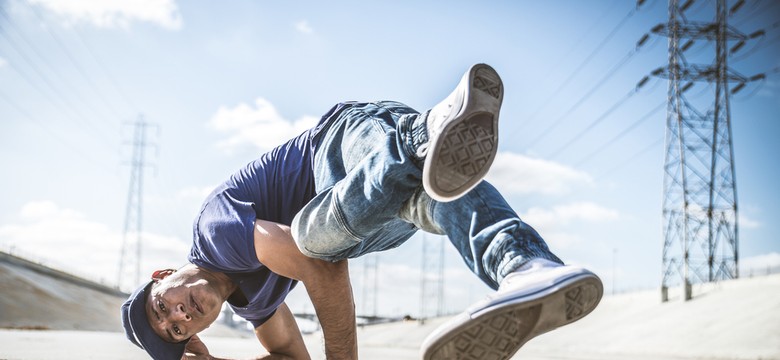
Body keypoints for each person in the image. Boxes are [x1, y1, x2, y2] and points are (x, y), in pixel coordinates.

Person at [121, 63, 603, 360]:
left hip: (341, 143)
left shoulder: (214, 233)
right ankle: (526, 267)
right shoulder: (254, 304)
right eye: (179, 329)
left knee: (311, 238)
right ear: (199, 334)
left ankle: (421, 134)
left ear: (164, 274)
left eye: (163, 305)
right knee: (434, 191)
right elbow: (291, 356)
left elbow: (319, 270)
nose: (180, 314)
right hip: (370, 218)